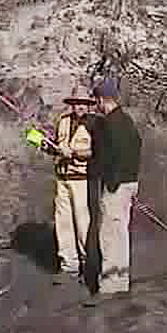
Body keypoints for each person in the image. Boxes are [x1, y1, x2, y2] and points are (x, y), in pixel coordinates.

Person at [87, 75, 140, 295]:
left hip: (115, 187)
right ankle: (120, 281)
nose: (96, 105)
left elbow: (108, 157)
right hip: (129, 183)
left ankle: (109, 286)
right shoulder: (127, 121)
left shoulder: (109, 125)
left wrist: (109, 181)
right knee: (121, 234)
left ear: (102, 99)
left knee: (109, 235)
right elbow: (136, 148)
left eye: (96, 100)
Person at [43, 91, 96, 283]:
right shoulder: (63, 121)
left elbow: (97, 151)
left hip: (83, 180)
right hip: (62, 179)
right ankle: (69, 266)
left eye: (83, 103)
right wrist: (46, 144)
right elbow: (54, 143)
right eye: (76, 103)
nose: (80, 107)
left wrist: (73, 152)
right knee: (63, 223)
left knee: (84, 223)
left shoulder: (96, 124)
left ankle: (88, 265)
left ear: (89, 105)